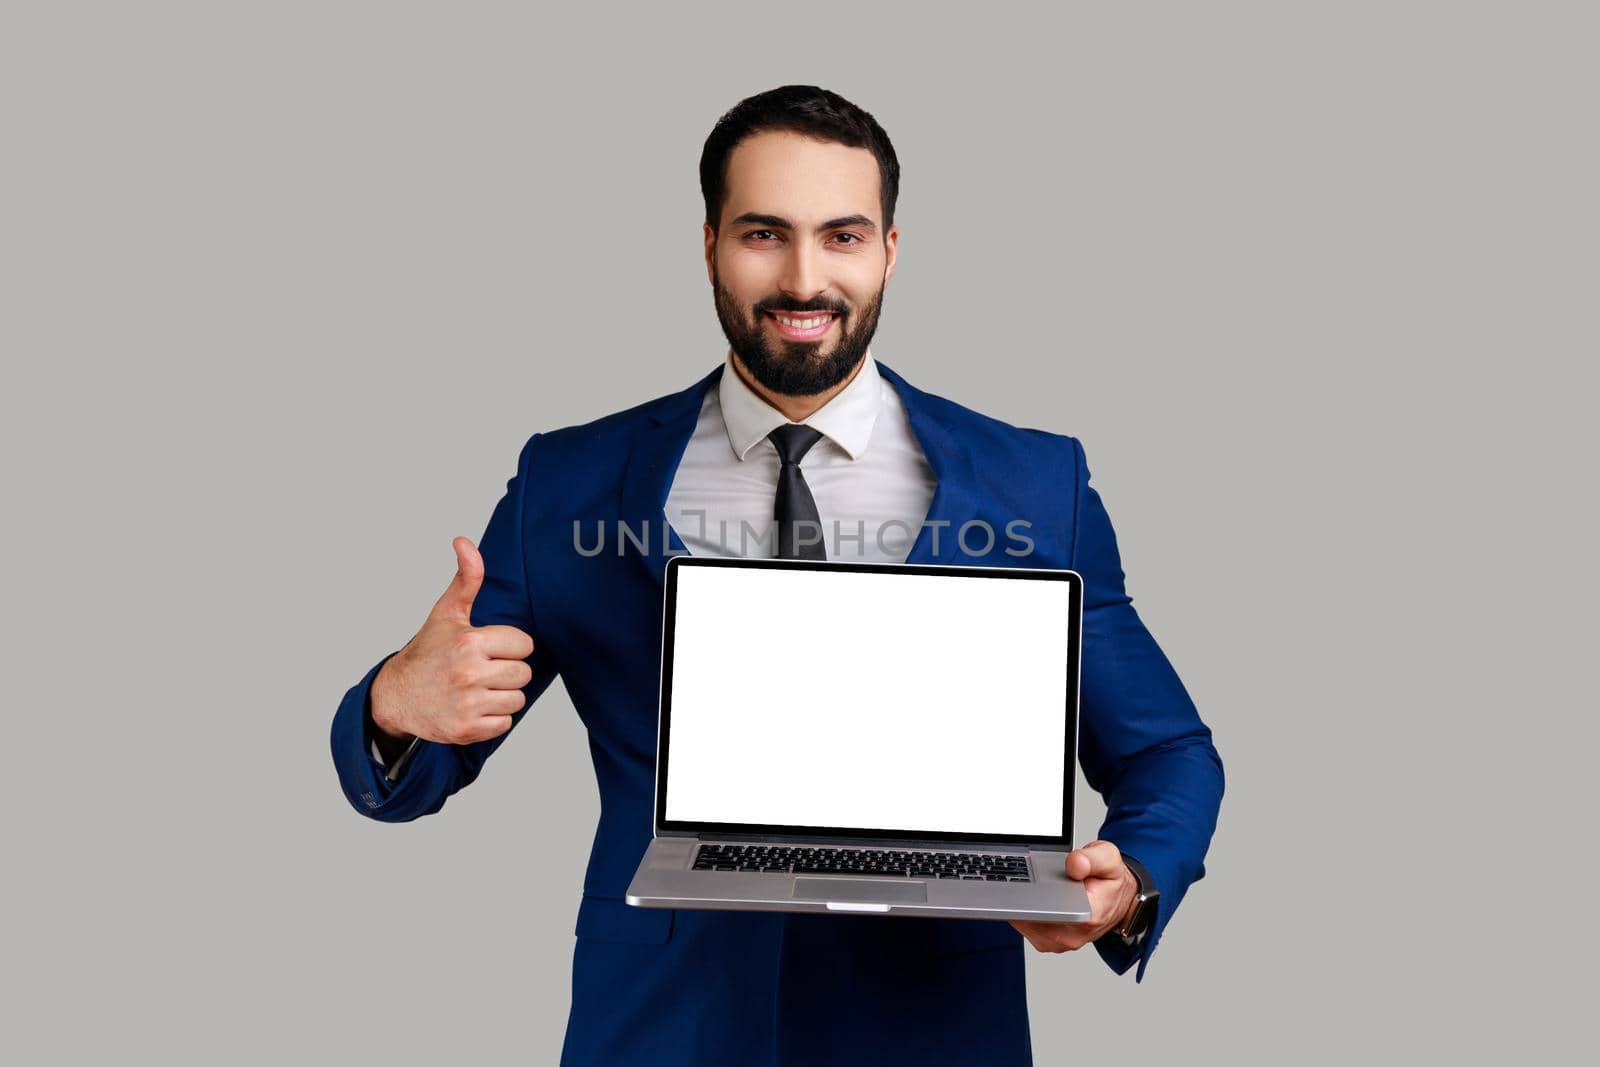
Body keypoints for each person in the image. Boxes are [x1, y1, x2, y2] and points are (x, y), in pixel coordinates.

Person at [331, 85, 1224, 1066]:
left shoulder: (1033, 484)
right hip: (663, 1028)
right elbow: (422, 759)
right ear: (709, 242)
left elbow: (1168, 751)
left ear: (889, 249)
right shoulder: (569, 481)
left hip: (934, 1029)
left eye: (841, 236)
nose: (805, 278)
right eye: (765, 233)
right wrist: (393, 703)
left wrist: (1129, 875)